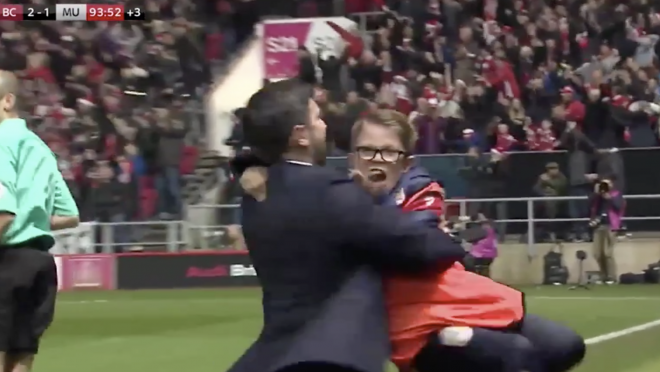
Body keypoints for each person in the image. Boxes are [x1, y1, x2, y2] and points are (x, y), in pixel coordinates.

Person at [227, 79, 466, 372]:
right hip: (328, 357)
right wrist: (447, 241)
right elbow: (412, 244)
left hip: (271, 356)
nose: (324, 125)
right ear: (300, 136)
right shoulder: (329, 191)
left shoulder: (256, 193)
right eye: (317, 118)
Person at [345, 109, 586, 372]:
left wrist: (369, 213)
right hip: (410, 318)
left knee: (566, 345)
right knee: (517, 355)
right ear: (353, 158)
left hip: (458, 295)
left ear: (405, 163)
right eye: (367, 150)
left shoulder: (420, 187)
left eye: (389, 152)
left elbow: (416, 244)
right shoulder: (334, 200)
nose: (377, 160)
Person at [0, 71, 79, 372]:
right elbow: (69, 215)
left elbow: (3, 212)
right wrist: (30, 223)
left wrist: (14, 221)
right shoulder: (40, 147)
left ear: (8, 101)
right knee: (20, 356)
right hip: (38, 264)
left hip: (5, 260)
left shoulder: (0, 141)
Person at [588, 178, 624, 284]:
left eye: (606, 184)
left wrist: (609, 198)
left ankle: (611, 277)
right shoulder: (597, 197)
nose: (604, 187)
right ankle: (603, 275)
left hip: (611, 225)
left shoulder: (616, 195)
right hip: (599, 226)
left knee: (608, 253)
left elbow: (619, 207)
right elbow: (589, 205)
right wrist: (596, 193)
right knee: (597, 253)